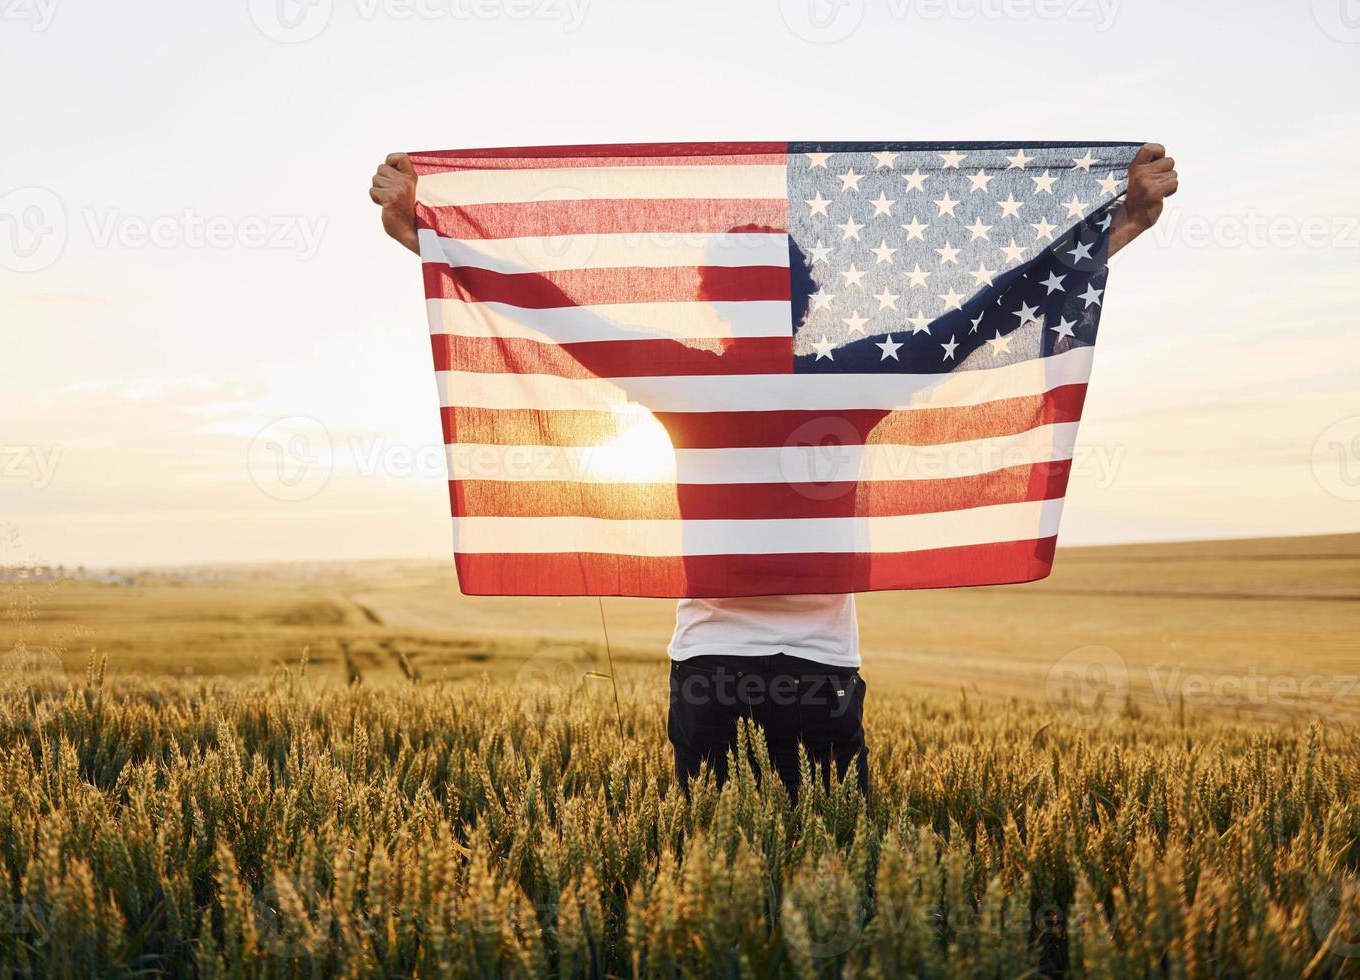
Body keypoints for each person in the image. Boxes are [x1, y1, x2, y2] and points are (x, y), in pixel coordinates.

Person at [370, 143, 1178, 800]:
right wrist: (1124, 222)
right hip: (820, 674)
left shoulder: (680, 379)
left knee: (717, 880)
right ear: (806, 302)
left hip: (709, 673)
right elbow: (985, 313)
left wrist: (424, 233)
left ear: (713, 301)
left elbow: (545, 306)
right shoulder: (853, 378)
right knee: (837, 872)